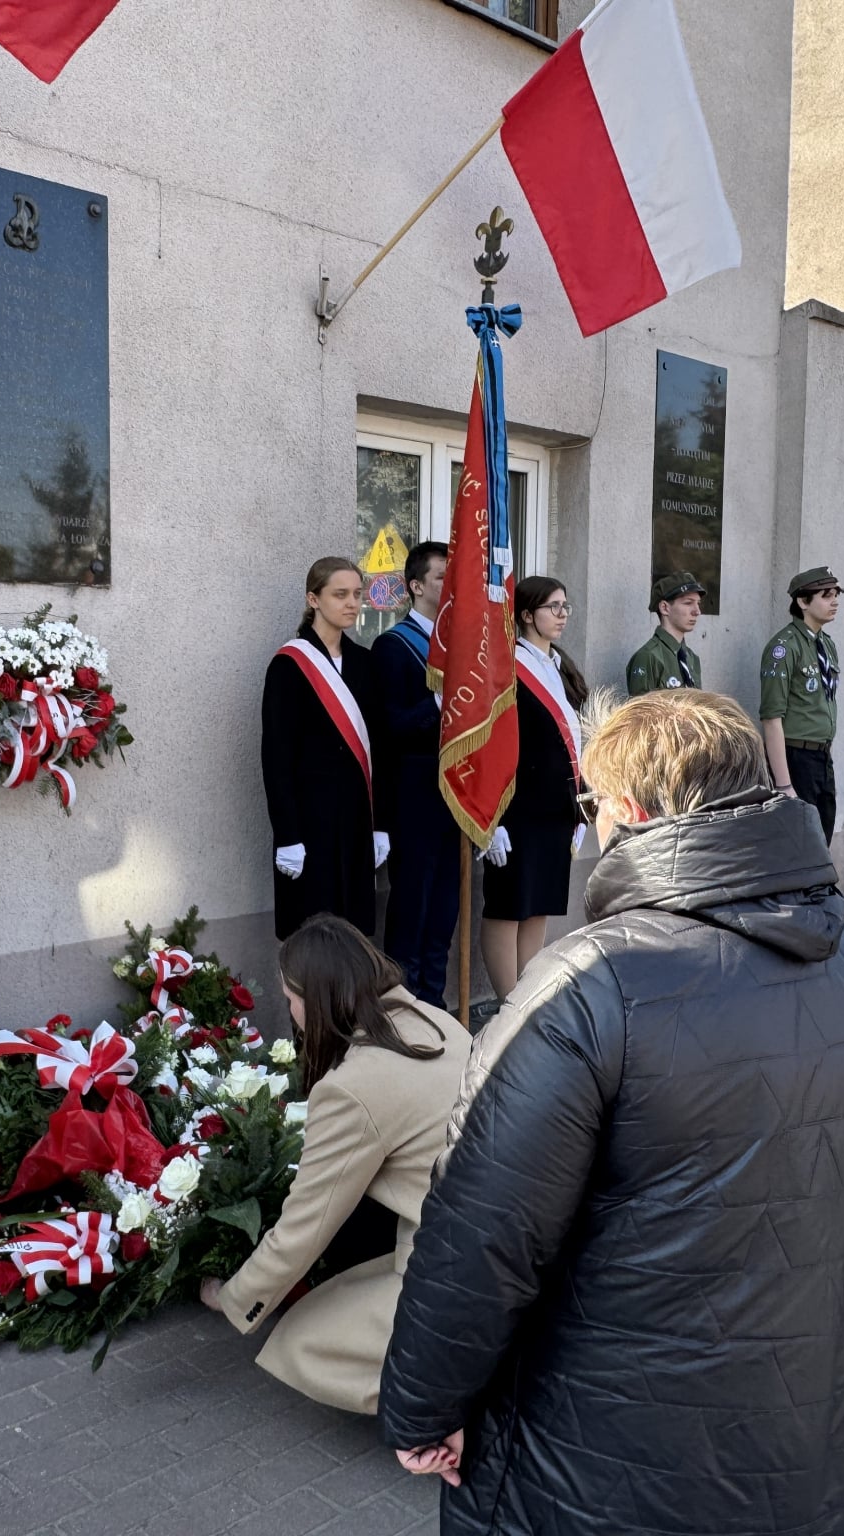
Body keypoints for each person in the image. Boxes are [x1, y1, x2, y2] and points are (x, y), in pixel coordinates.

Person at [380, 689, 844, 1535]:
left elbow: (483, 1234)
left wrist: (422, 1406)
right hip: (815, 1427)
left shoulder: (593, 983)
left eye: (593, 805)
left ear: (627, 811)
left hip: (609, 1451)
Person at [199, 914, 466, 1413]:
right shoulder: (435, 1020)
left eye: (291, 998)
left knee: (301, 1339)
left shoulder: (351, 1088)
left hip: (459, 1266)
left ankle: (466, 1391)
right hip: (500, 1227)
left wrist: (235, 1296)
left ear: (317, 999)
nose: (291, 1011)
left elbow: (305, 1224)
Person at [262, 557, 391, 941]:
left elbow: (380, 749)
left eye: (357, 594)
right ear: (313, 599)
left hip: (356, 821)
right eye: (340, 594)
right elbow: (277, 756)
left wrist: (380, 825)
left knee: (354, 934)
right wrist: (287, 834)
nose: (352, 603)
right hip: (309, 823)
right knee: (311, 935)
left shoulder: (365, 662)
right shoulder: (289, 665)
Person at [480, 575, 588, 1004]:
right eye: (552, 607)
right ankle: (508, 1003)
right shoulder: (507, 666)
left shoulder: (560, 666)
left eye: (565, 606)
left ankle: (527, 996)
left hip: (556, 808)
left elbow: (576, 739)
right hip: (517, 808)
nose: (562, 615)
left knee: (539, 904)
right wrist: (493, 819)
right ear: (526, 614)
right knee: (509, 907)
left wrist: (582, 807)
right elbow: (491, 745)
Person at [372, 541, 460, 1005]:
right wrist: (436, 704)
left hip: (456, 796)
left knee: (444, 914)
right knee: (412, 910)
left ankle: (435, 1007)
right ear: (416, 586)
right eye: (442, 577)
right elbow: (389, 728)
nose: (451, 585)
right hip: (413, 797)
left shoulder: (462, 647)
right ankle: (403, 1011)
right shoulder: (393, 646)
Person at [760, 565, 843, 842]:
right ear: (803, 602)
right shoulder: (784, 647)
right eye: (826, 595)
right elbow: (771, 718)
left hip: (822, 758)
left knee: (822, 839)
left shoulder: (826, 645)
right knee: (798, 844)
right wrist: (784, 784)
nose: (834, 601)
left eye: (836, 594)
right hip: (796, 757)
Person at [624, 572, 704, 695]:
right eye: (688, 603)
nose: (697, 611)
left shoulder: (691, 658)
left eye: (698, 603)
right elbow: (642, 706)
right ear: (664, 608)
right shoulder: (648, 657)